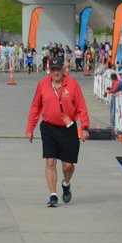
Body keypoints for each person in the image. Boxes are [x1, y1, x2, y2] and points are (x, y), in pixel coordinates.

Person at [26, 53, 90, 207]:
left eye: (58, 69)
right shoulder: (42, 85)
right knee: (50, 161)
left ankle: (66, 184)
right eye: (52, 69)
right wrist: (30, 128)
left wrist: (85, 127)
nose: (55, 72)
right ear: (49, 69)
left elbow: (81, 106)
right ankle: (53, 195)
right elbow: (35, 107)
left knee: (67, 165)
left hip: (68, 129)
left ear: (63, 69)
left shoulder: (72, 84)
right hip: (49, 128)